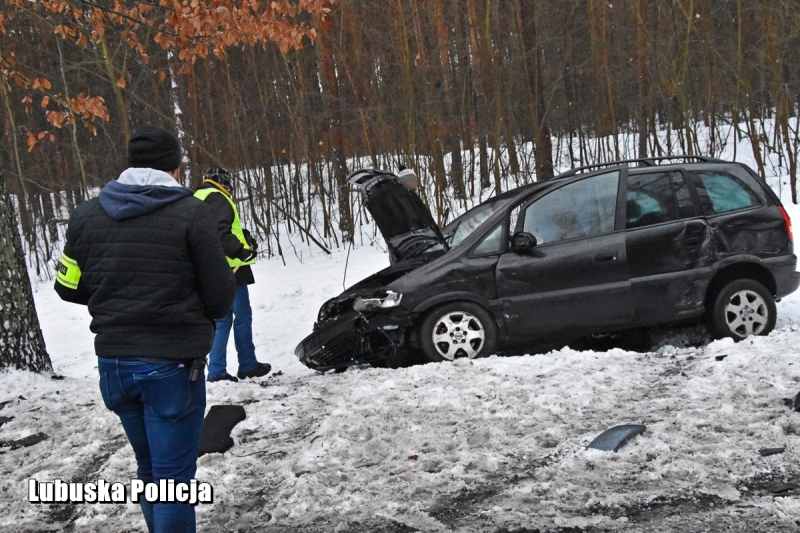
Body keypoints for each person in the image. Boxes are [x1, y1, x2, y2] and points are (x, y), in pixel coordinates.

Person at [54, 125, 236, 532]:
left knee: (150, 468)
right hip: (171, 367)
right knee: (172, 480)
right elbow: (222, 296)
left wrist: (116, 299)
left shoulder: (86, 215)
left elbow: (67, 286)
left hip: (115, 366)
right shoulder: (192, 213)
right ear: (175, 167)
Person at [194, 167, 272, 382]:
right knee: (242, 317)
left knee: (222, 319)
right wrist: (241, 251)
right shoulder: (218, 197)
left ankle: (217, 370)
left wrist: (244, 237)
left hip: (208, 269)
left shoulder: (199, 196)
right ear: (224, 182)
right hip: (231, 269)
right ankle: (247, 364)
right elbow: (221, 232)